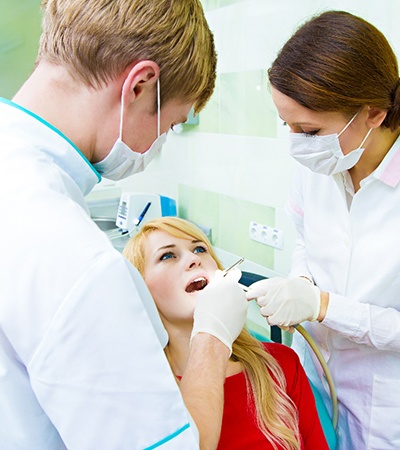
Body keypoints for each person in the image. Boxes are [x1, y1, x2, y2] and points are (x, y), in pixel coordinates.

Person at [0, 1, 249, 449]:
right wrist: (212, 338)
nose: (160, 143)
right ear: (140, 85)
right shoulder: (77, 262)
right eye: (170, 124)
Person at [246, 10, 400, 449]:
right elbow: (304, 237)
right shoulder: (321, 162)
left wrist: (323, 305)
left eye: (309, 130)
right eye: (287, 126)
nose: (296, 143)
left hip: (384, 408)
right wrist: (301, 279)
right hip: (314, 381)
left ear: (373, 113)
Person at [123, 216, 329, 450]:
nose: (193, 259)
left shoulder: (281, 365)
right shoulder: (141, 390)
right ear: (140, 290)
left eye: (200, 249)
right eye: (167, 255)